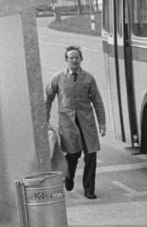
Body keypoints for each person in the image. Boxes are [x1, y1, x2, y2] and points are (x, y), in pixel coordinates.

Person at [44, 45, 106, 200]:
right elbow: (47, 100)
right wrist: (44, 121)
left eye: (77, 57)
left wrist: (102, 123)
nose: (74, 60)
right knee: (73, 156)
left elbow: (97, 101)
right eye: (71, 57)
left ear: (81, 59)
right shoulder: (58, 78)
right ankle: (69, 176)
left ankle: (89, 189)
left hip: (87, 123)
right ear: (66, 60)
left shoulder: (89, 78)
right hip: (68, 124)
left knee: (91, 156)